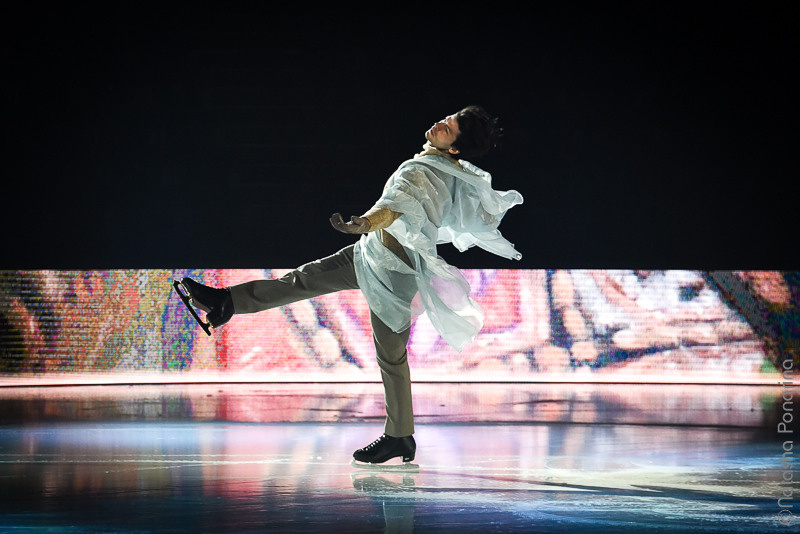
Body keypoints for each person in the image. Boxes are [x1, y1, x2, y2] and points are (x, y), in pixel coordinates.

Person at [174, 105, 523, 464]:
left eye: (448, 129)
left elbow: (395, 207)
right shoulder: (449, 171)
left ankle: (400, 436)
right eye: (446, 119)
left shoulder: (424, 170)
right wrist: (367, 232)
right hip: (371, 254)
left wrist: (364, 223)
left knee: (390, 356)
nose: (439, 124)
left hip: (394, 271)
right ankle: (225, 301)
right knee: (303, 279)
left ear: (454, 148)